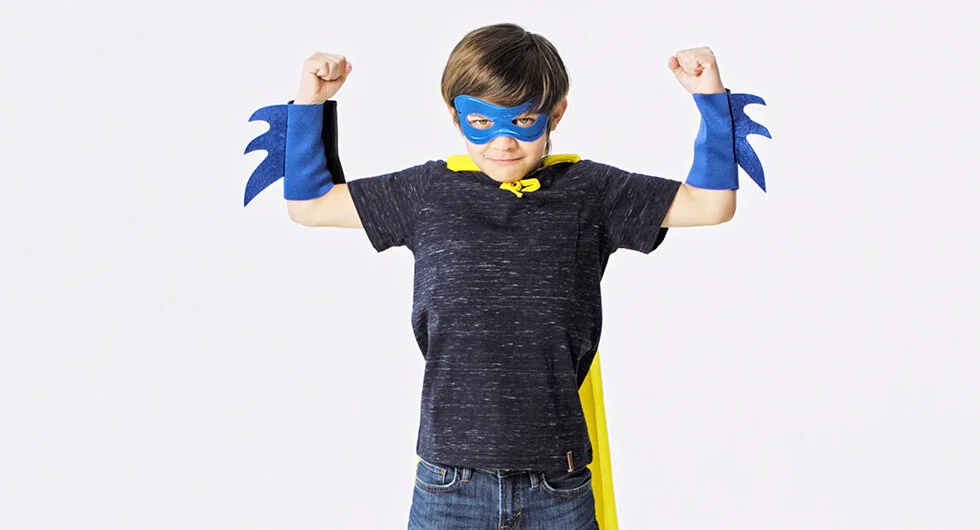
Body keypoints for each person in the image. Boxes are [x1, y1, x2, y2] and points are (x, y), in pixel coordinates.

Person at [244, 22, 768, 530]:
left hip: (557, 485)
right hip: (449, 485)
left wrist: (709, 99)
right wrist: (311, 102)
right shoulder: (427, 193)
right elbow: (311, 205)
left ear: (556, 113)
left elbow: (710, 204)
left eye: (523, 121)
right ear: (456, 117)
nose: (503, 142)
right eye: (481, 121)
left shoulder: (590, 192)